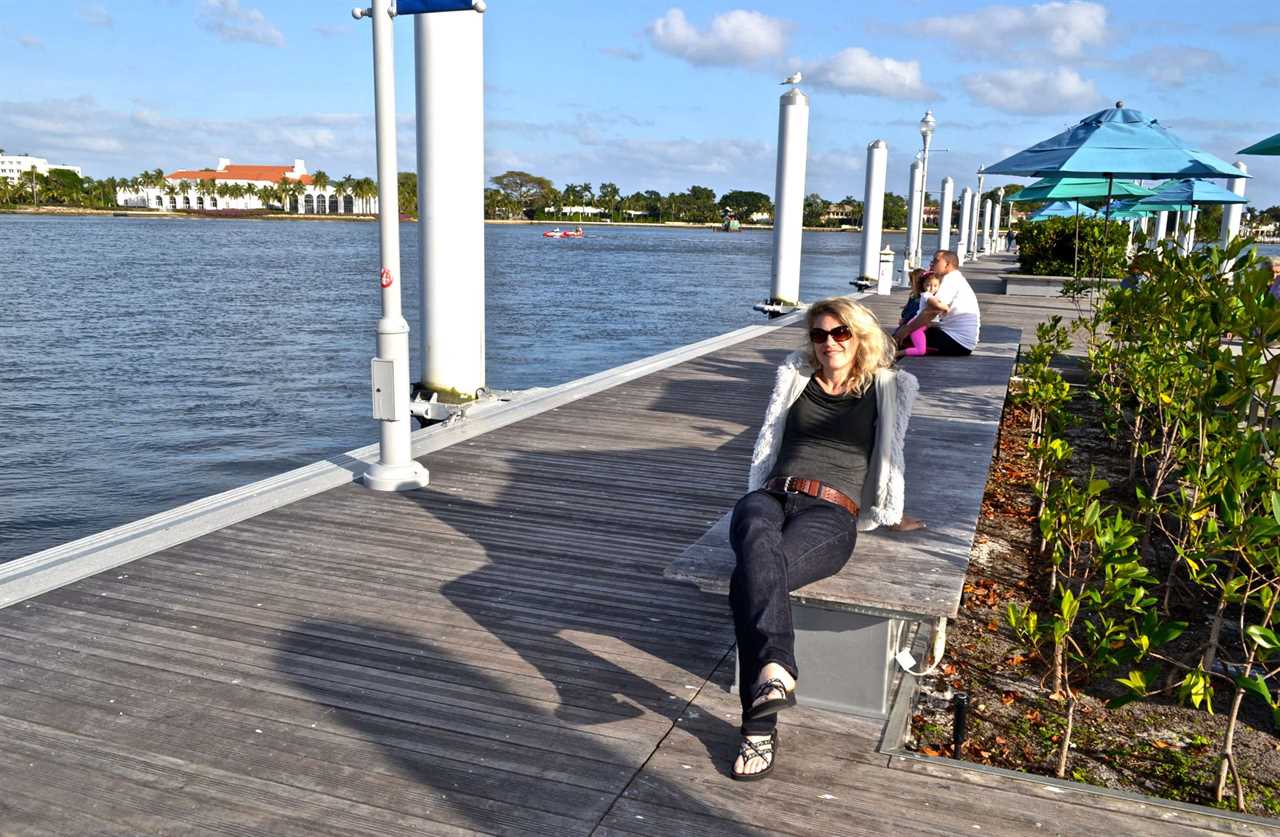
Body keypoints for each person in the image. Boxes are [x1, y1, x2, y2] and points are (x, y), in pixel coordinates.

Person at [728, 297, 918, 780]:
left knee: (748, 579)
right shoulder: (795, 379)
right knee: (752, 527)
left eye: (840, 333)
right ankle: (776, 673)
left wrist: (892, 513)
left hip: (831, 510)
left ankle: (758, 728)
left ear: (858, 337)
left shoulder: (886, 388)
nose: (829, 342)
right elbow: (771, 441)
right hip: (770, 496)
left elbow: (892, 455)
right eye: (819, 334)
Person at [892, 250, 980, 356]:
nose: (932, 262)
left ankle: (883, 363)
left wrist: (907, 330)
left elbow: (932, 310)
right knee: (906, 333)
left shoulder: (951, 280)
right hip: (957, 338)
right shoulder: (954, 278)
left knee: (901, 339)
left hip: (957, 342)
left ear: (947, 264)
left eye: (936, 260)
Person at [898, 270, 940, 358]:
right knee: (915, 346)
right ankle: (897, 353)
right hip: (915, 325)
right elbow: (913, 314)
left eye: (935, 285)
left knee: (900, 339)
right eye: (929, 285)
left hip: (915, 324)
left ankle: (897, 352)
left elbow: (911, 314)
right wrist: (946, 308)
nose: (932, 288)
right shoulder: (925, 296)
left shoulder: (921, 296)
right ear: (923, 285)